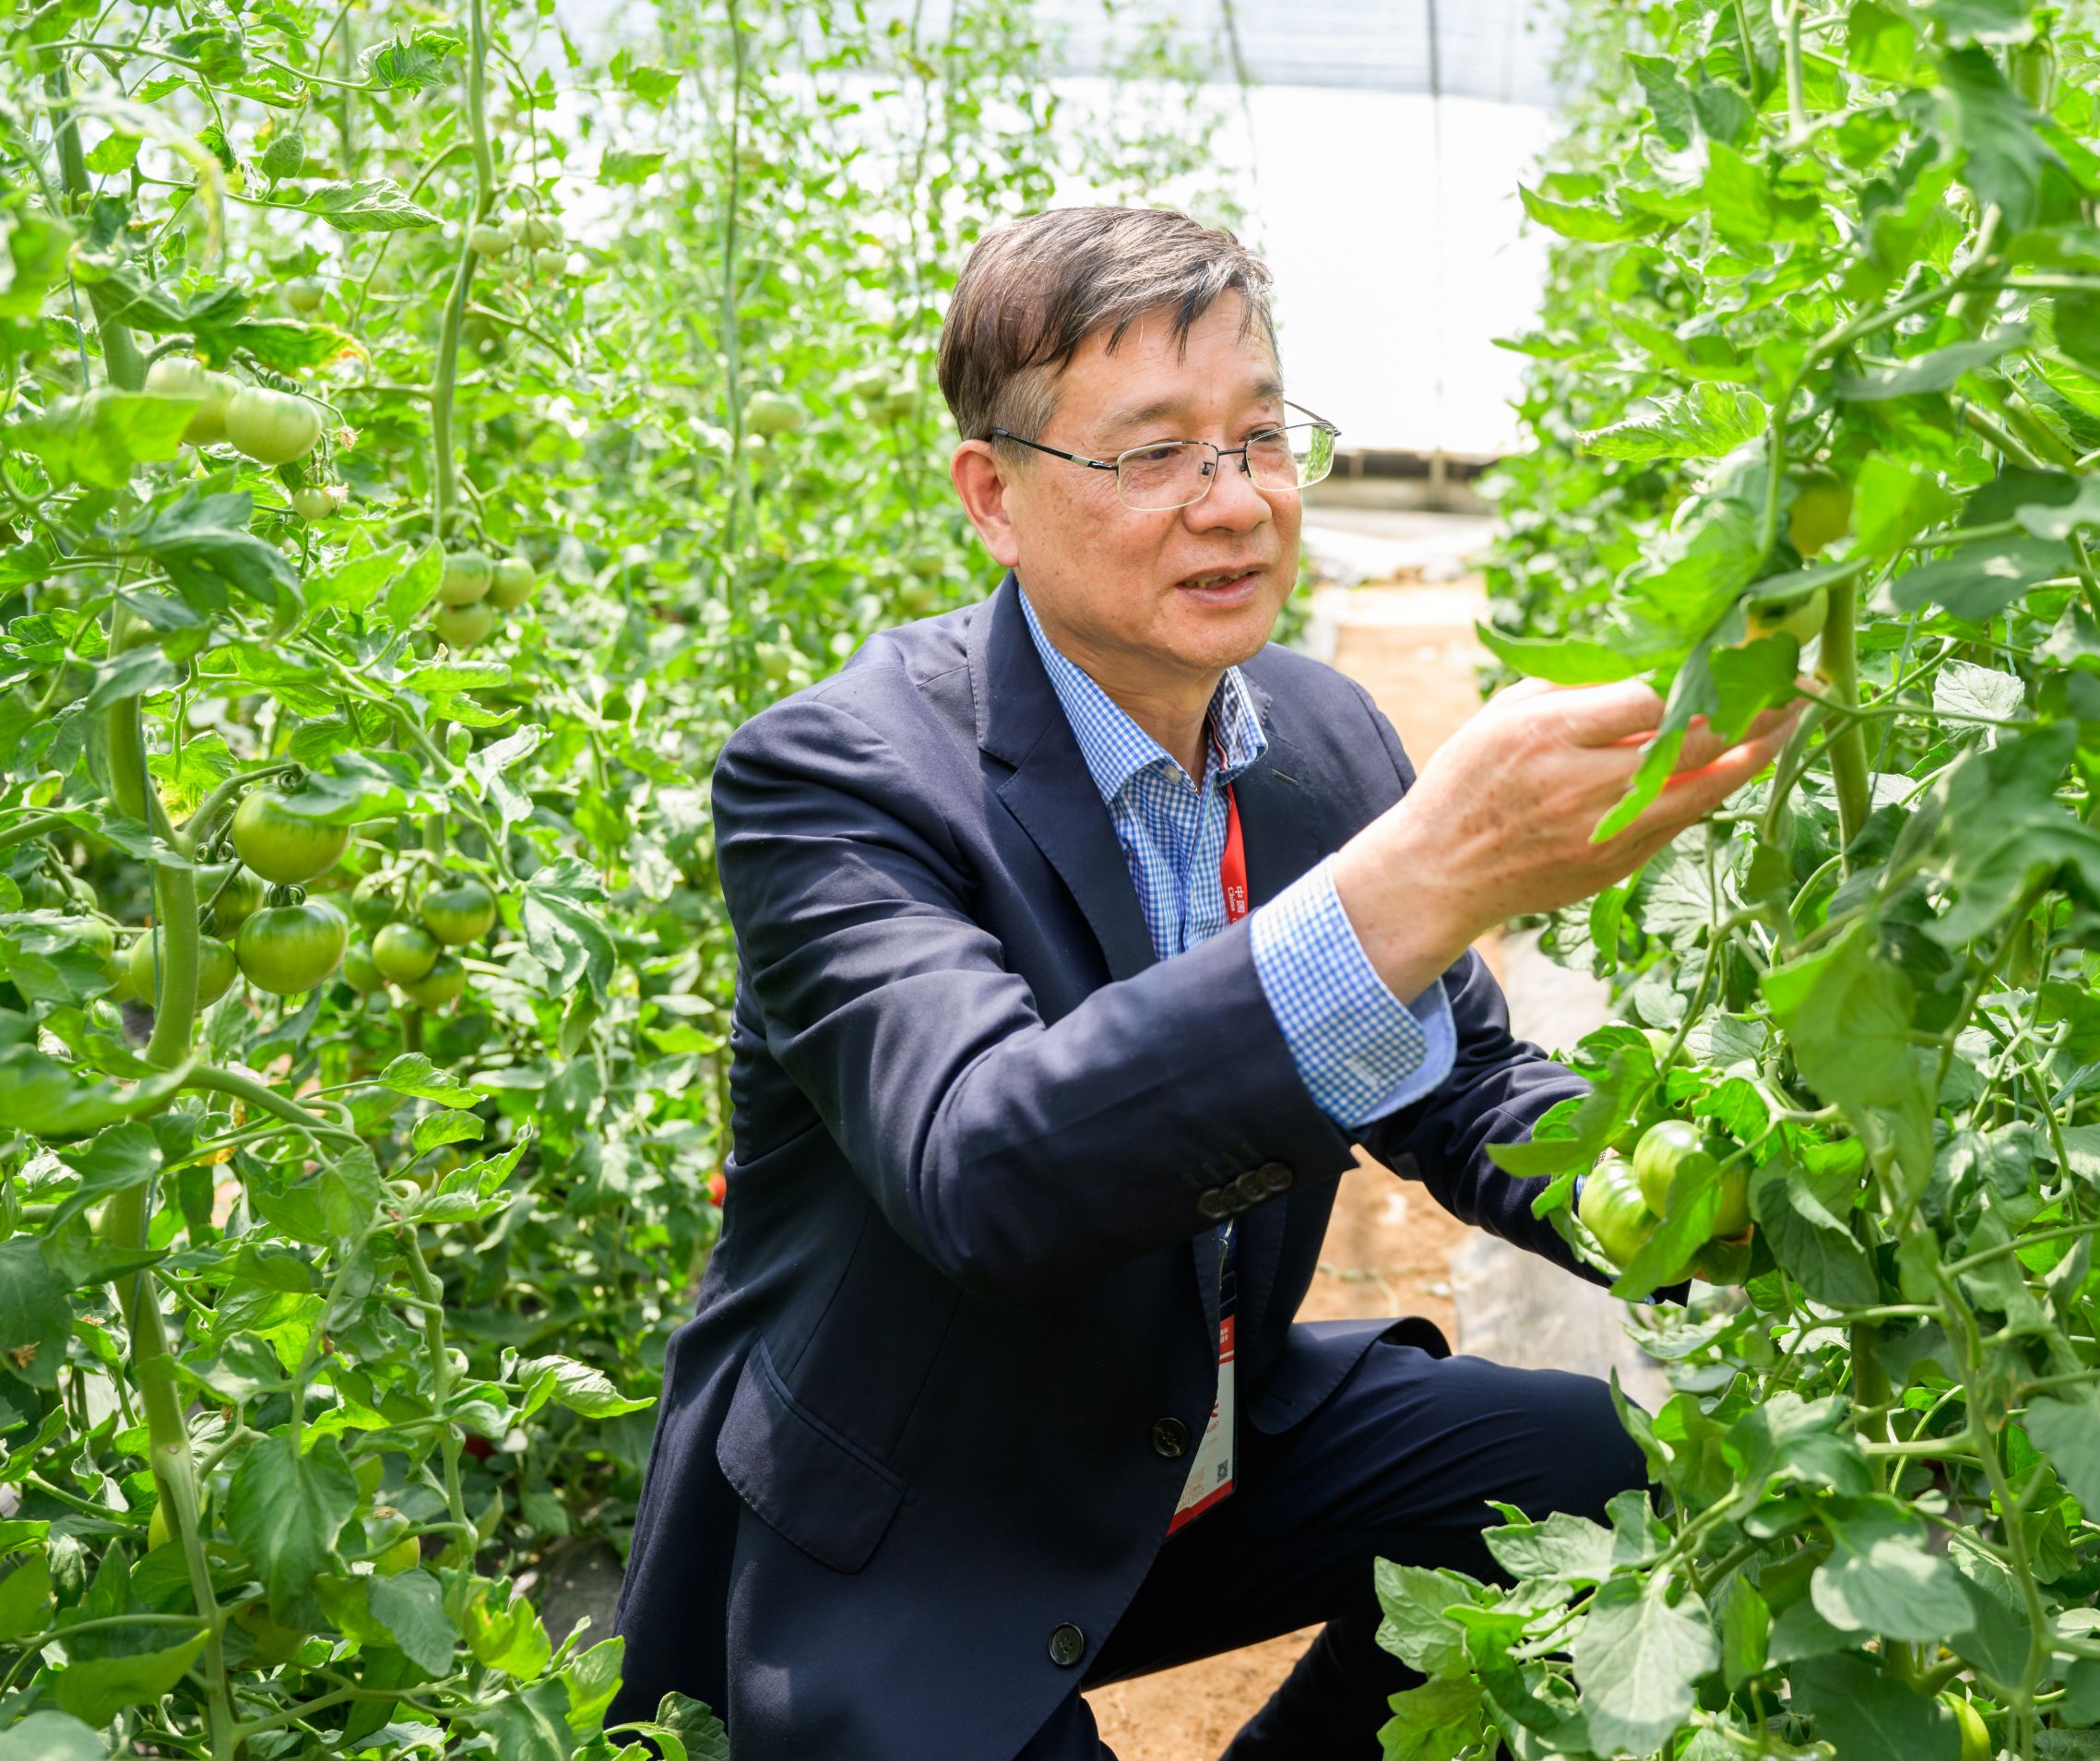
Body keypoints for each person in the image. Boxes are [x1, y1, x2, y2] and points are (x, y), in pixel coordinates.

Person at [610, 206, 1795, 1758]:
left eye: (1261, 436)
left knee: (1616, 1475)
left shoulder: (1317, 735)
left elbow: (1460, 1085)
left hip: (1197, 1441)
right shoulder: (839, 779)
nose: (1233, 503)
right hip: (921, 1525)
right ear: (994, 495)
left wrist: (1743, 1206)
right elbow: (986, 1171)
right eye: (1154, 453)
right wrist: (1419, 880)